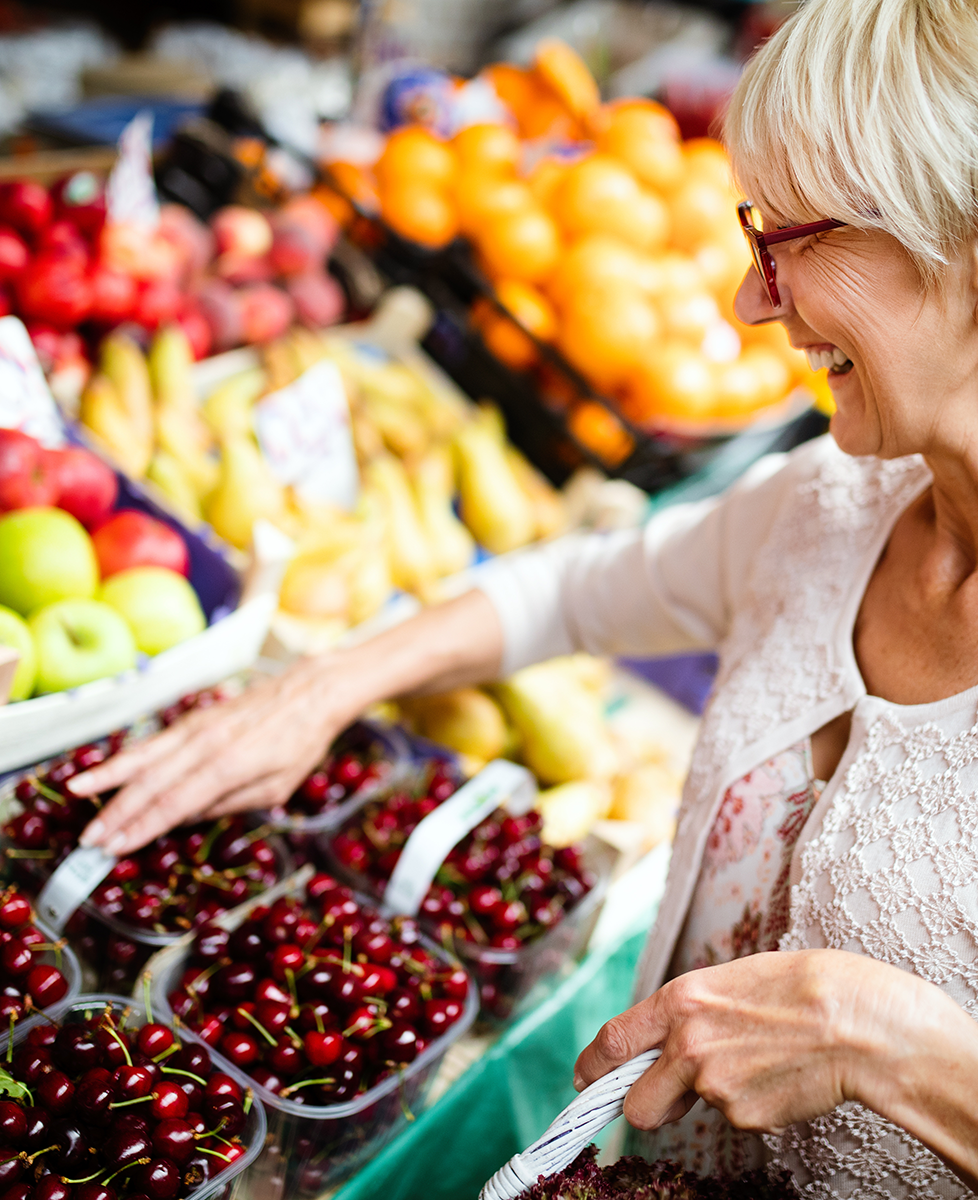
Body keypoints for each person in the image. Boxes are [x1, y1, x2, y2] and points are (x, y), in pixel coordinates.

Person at [70, 0, 978, 1192]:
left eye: (789, 240)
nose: (748, 303)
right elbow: (574, 592)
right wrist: (324, 688)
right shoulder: (827, 505)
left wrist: (889, 1044)